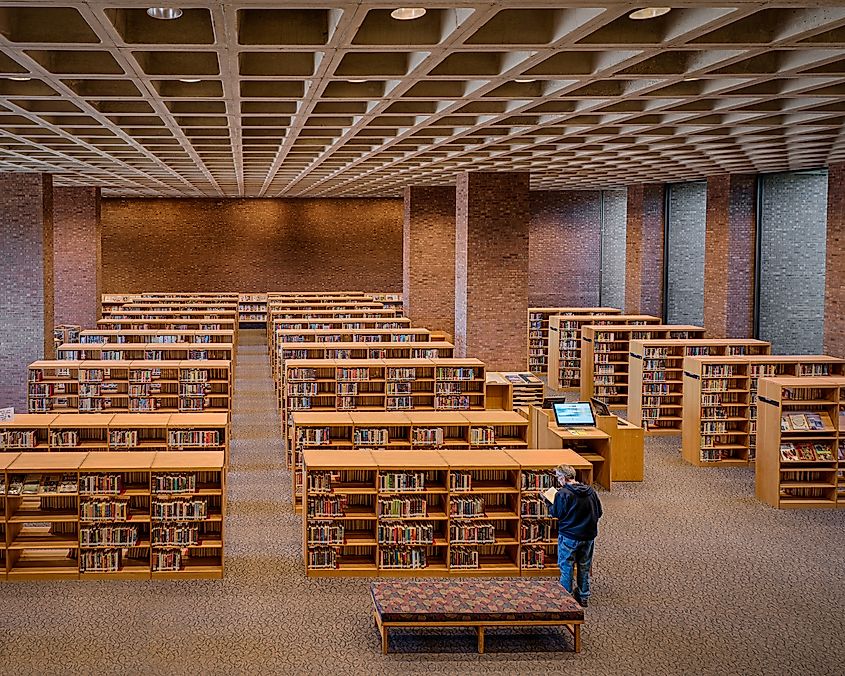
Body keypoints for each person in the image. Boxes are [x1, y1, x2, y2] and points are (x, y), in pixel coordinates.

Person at [543, 464, 603, 607]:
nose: (558, 480)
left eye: (558, 477)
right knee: (584, 565)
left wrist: (547, 500)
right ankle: (583, 596)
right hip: (588, 536)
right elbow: (599, 512)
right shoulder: (591, 491)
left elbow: (556, 513)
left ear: (563, 478)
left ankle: (565, 596)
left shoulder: (563, 494)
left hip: (569, 536)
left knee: (566, 566)